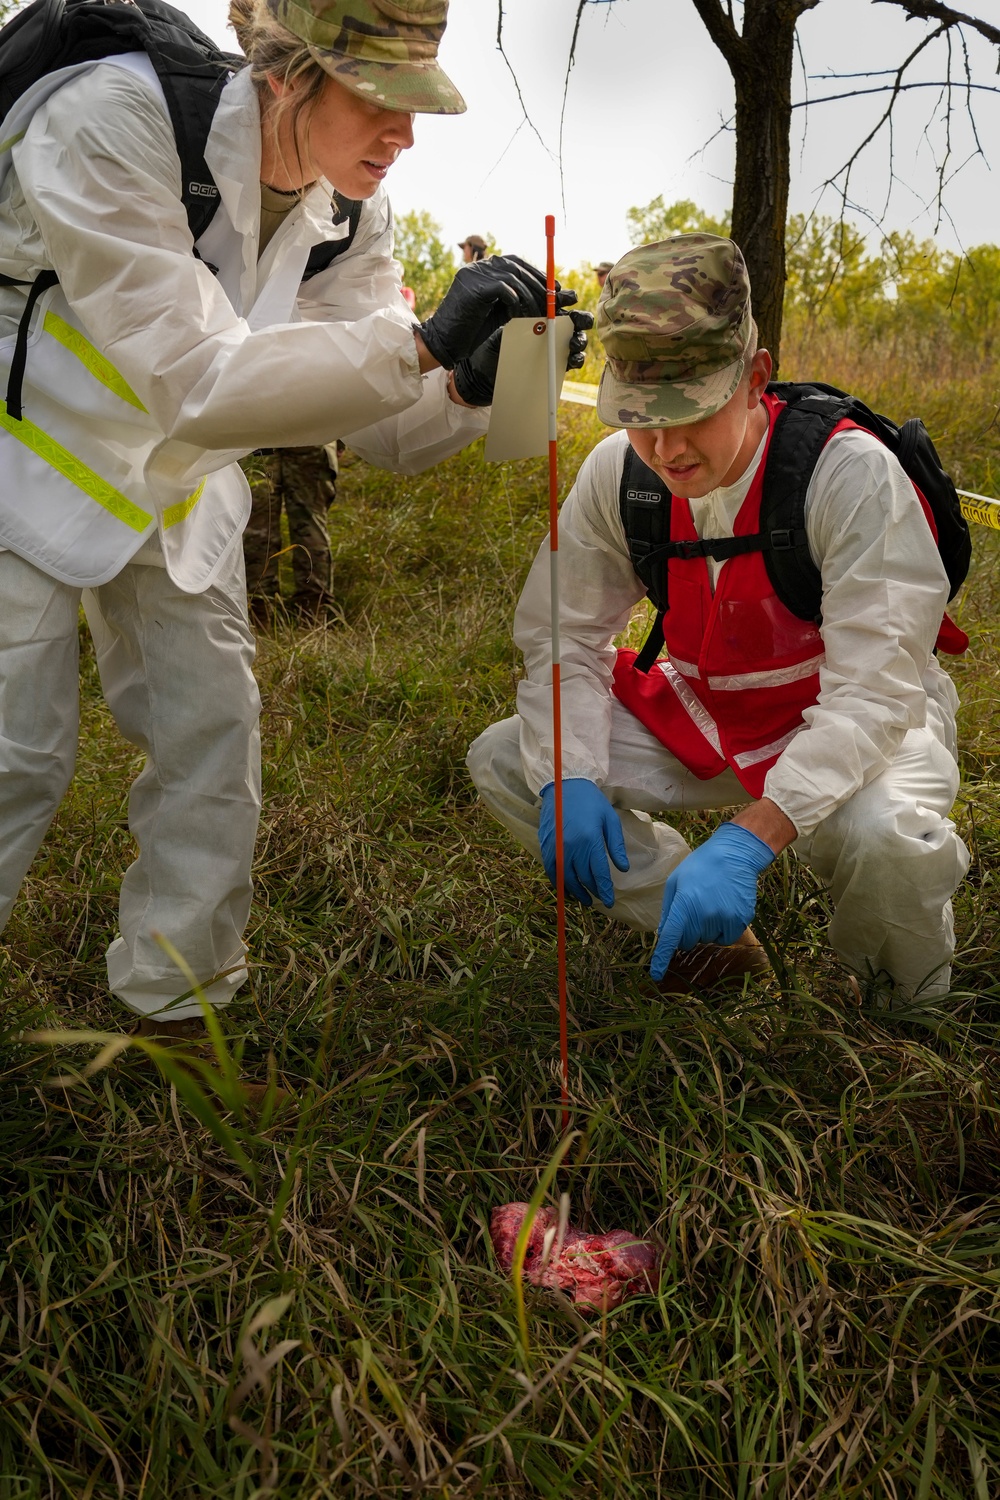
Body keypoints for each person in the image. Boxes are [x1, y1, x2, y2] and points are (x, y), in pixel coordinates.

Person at [0, 0, 589, 1047]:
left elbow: (377, 424)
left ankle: (175, 1015)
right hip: (20, 452)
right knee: (17, 752)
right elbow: (187, 372)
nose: (407, 133)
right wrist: (417, 343)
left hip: (174, 484)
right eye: (381, 98)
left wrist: (471, 382)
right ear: (287, 73)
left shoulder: (352, 216)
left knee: (212, 741)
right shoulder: (110, 119)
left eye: (422, 102)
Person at [468, 236, 970, 1003]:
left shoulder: (849, 475)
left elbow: (875, 695)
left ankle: (903, 1010)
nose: (665, 447)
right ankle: (710, 940)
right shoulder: (621, 475)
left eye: (690, 411)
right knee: (513, 759)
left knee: (889, 840)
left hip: (860, 722)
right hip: (711, 709)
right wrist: (569, 775)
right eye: (640, 417)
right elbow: (564, 631)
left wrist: (751, 837)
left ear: (753, 379)